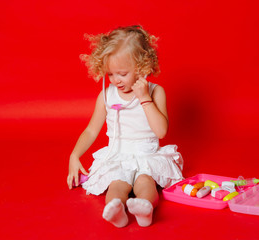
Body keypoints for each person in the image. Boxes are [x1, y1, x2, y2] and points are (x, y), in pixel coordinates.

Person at [66, 25, 184, 228]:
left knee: (145, 183)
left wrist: (144, 98)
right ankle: (117, 211)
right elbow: (91, 130)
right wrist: (74, 155)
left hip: (147, 154)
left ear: (141, 67)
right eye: (110, 74)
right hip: (118, 154)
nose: (115, 80)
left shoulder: (156, 92)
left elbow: (161, 131)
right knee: (117, 184)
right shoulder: (106, 96)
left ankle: (145, 209)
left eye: (122, 73)